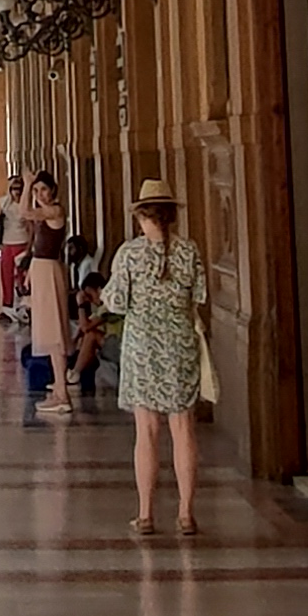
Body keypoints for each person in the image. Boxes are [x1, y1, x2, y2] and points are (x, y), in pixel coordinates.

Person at [103, 176, 210, 535]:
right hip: (180, 345)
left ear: (142, 217)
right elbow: (199, 297)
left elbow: (116, 302)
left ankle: (146, 513)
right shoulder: (189, 251)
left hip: (142, 346)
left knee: (146, 431)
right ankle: (186, 513)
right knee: (183, 430)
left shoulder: (130, 253)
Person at [20, 170, 75, 425]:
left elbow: (25, 213)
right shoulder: (46, 216)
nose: (39, 195)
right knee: (48, 330)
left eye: (43, 189)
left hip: (50, 272)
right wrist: (31, 272)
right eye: (36, 191)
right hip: (42, 270)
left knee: (53, 331)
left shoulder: (55, 211)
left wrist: (28, 183)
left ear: (53, 191)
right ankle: (59, 390)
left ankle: (62, 394)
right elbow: (37, 245)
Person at [71, 262, 108, 408]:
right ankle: (75, 370)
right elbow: (82, 328)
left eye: (90, 295)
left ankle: (75, 374)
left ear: (99, 290)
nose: (90, 300)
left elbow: (86, 327)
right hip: (108, 341)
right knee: (85, 336)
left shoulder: (108, 306)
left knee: (91, 335)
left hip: (117, 343)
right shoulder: (99, 309)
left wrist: (81, 305)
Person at [0, 172, 30, 308]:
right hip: (7, 243)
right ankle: (7, 303)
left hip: (22, 242)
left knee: (22, 275)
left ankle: (25, 303)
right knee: (6, 274)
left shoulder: (27, 204)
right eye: (14, 188)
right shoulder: (5, 203)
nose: (16, 192)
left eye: (19, 188)